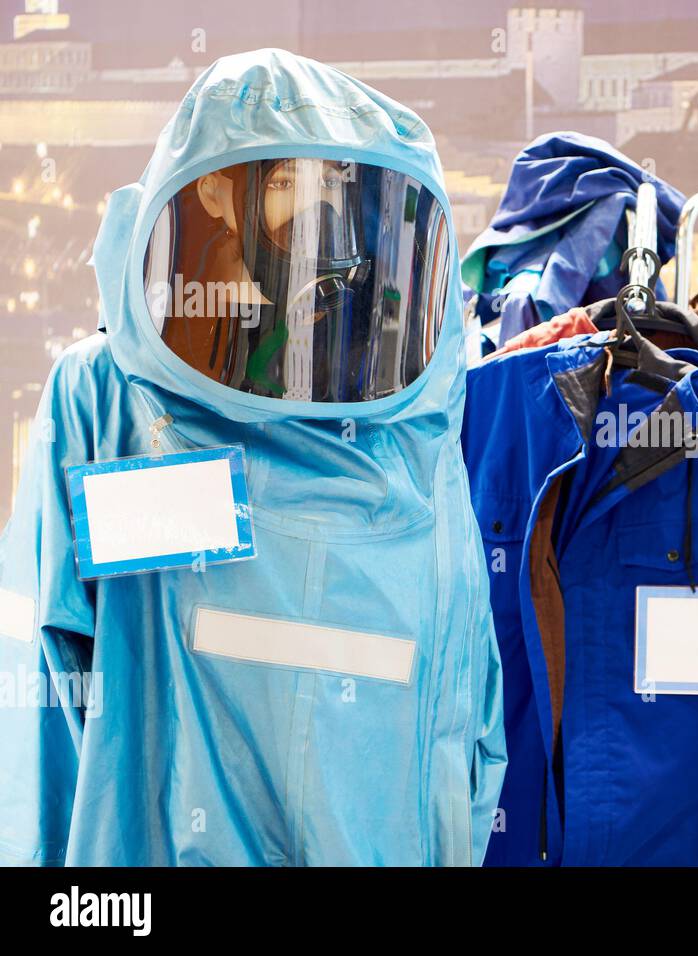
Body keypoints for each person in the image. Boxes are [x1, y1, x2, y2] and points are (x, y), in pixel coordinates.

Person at [0, 49, 505, 866]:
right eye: (281, 183)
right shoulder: (105, 399)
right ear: (207, 191)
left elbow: (464, 702)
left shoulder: (411, 419)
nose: (315, 213)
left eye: (331, 182)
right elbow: (40, 695)